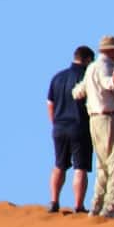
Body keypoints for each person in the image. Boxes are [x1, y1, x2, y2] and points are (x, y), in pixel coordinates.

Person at [72, 35, 114, 219]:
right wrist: (113, 82)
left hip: (94, 120)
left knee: (103, 165)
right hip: (107, 118)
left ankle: (97, 205)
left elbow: (77, 92)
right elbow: (107, 82)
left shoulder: (91, 68)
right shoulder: (106, 66)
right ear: (110, 50)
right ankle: (111, 207)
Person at [46, 46, 95, 214]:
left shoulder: (57, 78)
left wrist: (55, 123)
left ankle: (54, 201)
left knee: (59, 165)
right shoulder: (86, 78)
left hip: (59, 127)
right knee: (80, 167)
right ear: (88, 59)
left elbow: (50, 104)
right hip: (79, 126)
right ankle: (79, 205)